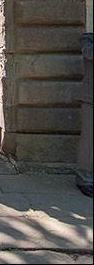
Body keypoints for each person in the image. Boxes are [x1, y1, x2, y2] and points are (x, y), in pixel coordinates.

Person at [76, 32, 93, 197]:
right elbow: (89, 53)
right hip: (90, 98)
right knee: (88, 142)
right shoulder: (87, 39)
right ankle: (84, 179)